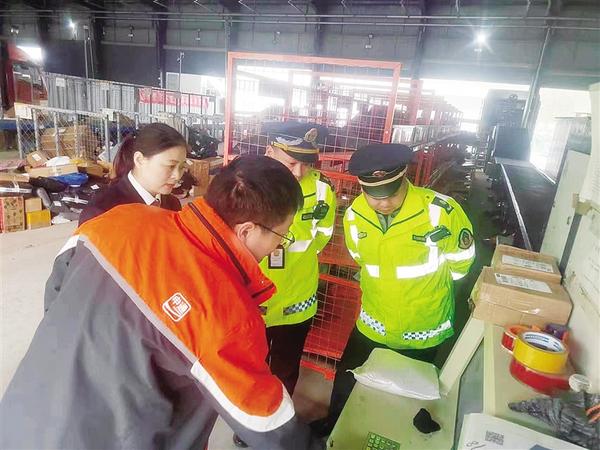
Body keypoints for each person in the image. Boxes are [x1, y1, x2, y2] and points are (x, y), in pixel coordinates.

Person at [0, 155, 324, 450]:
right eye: (281, 236)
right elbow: (263, 420)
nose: (278, 247)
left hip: (22, 413)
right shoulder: (224, 312)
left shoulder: (117, 220)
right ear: (247, 231)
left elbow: (56, 290)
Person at [312, 143, 475, 436]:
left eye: (391, 193)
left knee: (405, 394)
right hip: (374, 320)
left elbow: (461, 264)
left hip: (423, 324)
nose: (383, 203)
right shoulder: (355, 215)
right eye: (374, 196)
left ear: (404, 179)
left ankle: (386, 434)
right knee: (349, 378)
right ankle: (335, 426)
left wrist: (422, 290)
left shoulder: (440, 212)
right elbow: (361, 258)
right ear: (362, 188)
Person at [233, 121, 337, 448]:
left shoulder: (322, 191)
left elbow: (321, 237)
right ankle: (249, 422)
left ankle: (278, 421)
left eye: (306, 164)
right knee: (248, 366)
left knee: (286, 367)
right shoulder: (245, 184)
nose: (299, 172)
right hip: (251, 296)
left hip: (296, 296)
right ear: (269, 152)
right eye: (291, 162)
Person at [79, 122, 187, 225]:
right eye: (170, 166)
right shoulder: (101, 211)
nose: (177, 176)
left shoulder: (172, 205)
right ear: (139, 160)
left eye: (182, 167)